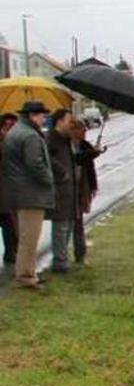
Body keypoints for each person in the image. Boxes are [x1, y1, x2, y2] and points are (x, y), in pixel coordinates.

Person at [2, 101, 55, 289]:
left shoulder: (16, 131)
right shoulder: (30, 135)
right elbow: (35, 164)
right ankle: (25, 276)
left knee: (25, 236)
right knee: (29, 237)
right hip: (30, 193)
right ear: (33, 115)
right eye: (42, 115)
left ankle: (28, 271)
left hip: (18, 191)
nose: (44, 119)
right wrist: (49, 179)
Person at [46, 110, 79, 274]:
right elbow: (45, 158)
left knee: (68, 225)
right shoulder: (51, 138)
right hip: (59, 189)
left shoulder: (66, 139)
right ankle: (59, 262)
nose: (71, 124)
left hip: (69, 190)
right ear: (59, 121)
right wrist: (62, 171)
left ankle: (63, 258)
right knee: (60, 225)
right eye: (68, 120)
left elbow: (75, 159)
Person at [70, 118, 104, 264]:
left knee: (78, 223)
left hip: (82, 188)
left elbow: (89, 166)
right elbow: (77, 160)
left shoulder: (84, 145)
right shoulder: (67, 146)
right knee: (68, 225)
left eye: (85, 130)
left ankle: (80, 254)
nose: (85, 132)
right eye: (82, 129)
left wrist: (95, 152)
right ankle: (65, 257)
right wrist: (92, 153)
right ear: (73, 131)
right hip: (69, 189)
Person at [0, 113, 18, 266]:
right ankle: (11, 251)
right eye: (8, 124)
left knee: (9, 221)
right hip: (3, 188)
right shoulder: (4, 141)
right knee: (7, 220)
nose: (10, 127)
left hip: (10, 188)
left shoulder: (12, 140)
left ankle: (11, 251)